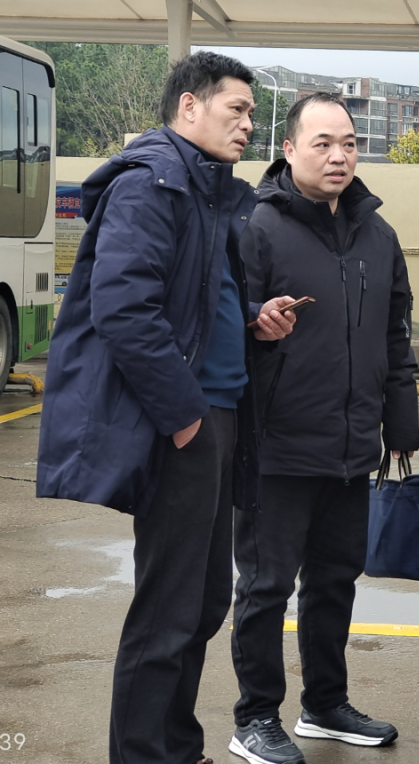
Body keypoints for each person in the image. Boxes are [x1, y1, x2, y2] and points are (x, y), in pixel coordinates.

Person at [36, 52, 297, 764]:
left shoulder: (207, 190)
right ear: (189, 106)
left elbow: (196, 296)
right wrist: (184, 420)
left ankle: (176, 747)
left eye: (250, 112)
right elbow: (124, 309)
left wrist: (252, 318)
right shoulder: (151, 183)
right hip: (188, 419)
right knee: (168, 606)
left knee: (205, 600)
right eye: (236, 109)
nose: (247, 124)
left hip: (220, 413)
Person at [228, 92, 419, 764]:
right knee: (265, 587)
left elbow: (395, 336)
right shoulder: (256, 227)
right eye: (323, 143)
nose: (339, 155)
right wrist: (255, 319)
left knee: (336, 579)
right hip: (275, 447)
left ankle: (325, 704)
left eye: (349, 143)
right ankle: (255, 716)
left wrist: (399, 427)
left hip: (351, 447)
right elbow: (223, 320)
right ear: (288, 150)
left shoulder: (378, 235)